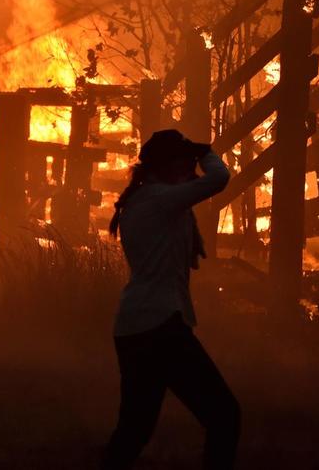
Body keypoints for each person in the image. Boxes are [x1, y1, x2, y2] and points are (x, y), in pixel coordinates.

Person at [102, 129, 241, 469]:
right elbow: (219, 177)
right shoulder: (160, 199)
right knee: (224, 415)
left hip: (135, 327)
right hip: (160, 327)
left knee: (135, 429)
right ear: (168, 166)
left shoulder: (146, 198)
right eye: (184, 162)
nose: (189, 170)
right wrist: (204, 150)